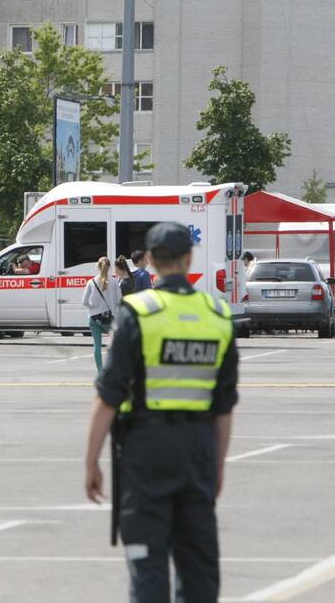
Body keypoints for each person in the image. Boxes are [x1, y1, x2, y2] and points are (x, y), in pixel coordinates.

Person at [84, 222, 239, 603]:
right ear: (189, 258)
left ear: (150, 260)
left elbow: (108, 395)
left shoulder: (138, 312)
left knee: (148, 566)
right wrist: (217, 465)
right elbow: (224, 406)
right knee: (199, 567)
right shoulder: (217, 315)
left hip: (146, 451)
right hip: (198, 448)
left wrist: (91, 462)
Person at [81, 257, 122, 373]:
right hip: (110, 318)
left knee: (97, 345)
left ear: (98, 267)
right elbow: (119, 300)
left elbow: (84, 302)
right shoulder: (114, 282)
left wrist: (93, 306)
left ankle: (100, 371)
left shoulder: (91, 282)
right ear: (109, 268)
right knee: (114, 345)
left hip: (94, 318)